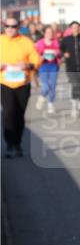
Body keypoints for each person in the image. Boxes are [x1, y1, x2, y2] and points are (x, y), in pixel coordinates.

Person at [1, 16, 40, 158]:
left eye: (13, 26)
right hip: (5, 83)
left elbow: (36, 59)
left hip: (23, 83)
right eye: (7, 26)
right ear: (4, 27)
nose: (10, 29)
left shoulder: (26, 42)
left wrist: (28, 65)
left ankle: (17, 143)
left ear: (18, 27)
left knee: (19, 114)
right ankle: (10, 143)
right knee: (8, 113)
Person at [35, 26, 61, 114]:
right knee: (45, 87)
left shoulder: (56, 42)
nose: (50, 34)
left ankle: (51, 104)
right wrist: (41, 57)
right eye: (48, 32)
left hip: (53, 66)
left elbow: (59, 55)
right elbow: (35, 55)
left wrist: (57, 53)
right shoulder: (40, 43)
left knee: (52, 86)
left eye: (51, 32)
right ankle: (42, 97)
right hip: (43, 66)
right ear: (44, 33)